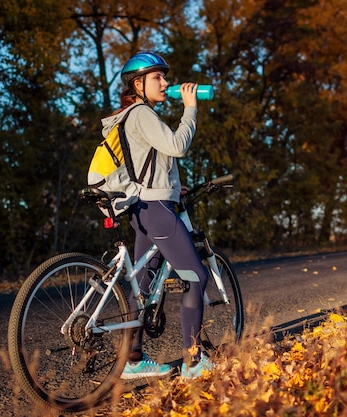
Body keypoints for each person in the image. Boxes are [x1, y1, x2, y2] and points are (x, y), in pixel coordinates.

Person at [100, 52, 212, 380]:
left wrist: (177, 189)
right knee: (196, 277)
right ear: (138, 84)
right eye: (157, 78)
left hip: (143, 208)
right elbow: (177, 146)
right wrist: (191, 107)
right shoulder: (142, 113)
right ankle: (194, 361)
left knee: (142, 286)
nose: (165, 83)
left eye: (165, 77)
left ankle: (133, 359)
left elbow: (151, 164)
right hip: (156, 211)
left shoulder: (130, 116)